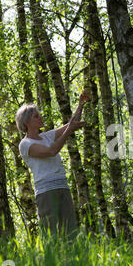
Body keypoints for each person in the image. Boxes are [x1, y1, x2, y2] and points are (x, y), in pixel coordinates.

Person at [16, 90, 89, 239]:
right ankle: (50, 262)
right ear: (27, 123)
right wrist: (69, 131)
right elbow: (51, 151)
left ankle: (71, 262)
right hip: (46, 192)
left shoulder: (46, 136)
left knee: (70, 233)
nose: (40, 117)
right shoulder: (25, 144)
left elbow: (70, 124)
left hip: (62, 186)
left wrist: (81, 105)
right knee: (50, 235)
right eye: (36, 116)